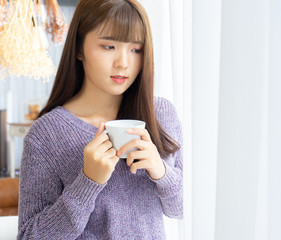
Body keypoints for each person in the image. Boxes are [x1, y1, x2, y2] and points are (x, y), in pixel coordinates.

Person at [17, 0, 183, 239]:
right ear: (78, 48)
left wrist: (161, 171)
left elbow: (181, 209)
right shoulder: (47, 134)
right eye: (108, 47)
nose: (123, 63)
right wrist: (88, 182)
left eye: (136, 49)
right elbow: (29, 236)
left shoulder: (161, 114)